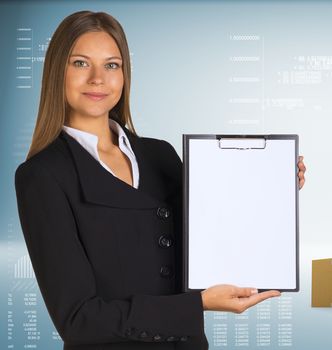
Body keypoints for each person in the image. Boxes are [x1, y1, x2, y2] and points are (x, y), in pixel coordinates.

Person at [14, 11, 306, 350]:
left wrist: (270, 187)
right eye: (80, 63)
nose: (98, 78)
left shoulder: (161, 156)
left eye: (112, 65)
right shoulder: (42, 176)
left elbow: (215, 233)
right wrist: (196, 305)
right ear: (56, 73)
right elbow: (78, 320)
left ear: (124, 75)